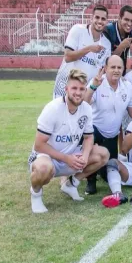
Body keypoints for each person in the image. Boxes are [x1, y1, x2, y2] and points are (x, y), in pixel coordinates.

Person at [29, 69, 109, 213]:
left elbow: (89, 137)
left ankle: (71, 185)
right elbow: (39, 145)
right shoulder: (53, 108)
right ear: (66, 89)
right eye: (74, 88)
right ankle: (36, 194)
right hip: (48, 157)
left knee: (103, 154)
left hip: (70, 156)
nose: (78, 93)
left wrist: (85, 156)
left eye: (82, 89)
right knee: (43, 169)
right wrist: (66, 159)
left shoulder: (86, 108)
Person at [83, 55, 132, 195]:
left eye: (119, 67)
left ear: (123, 69)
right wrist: (93, 87)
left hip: (112, 135)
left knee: (108, 174)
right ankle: (90, 180)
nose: (116, 70)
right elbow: (84, 103)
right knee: (91, 149)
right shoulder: (97, 82)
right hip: (95, 131)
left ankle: (98, 171)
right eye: (112, 67)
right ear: (106, 68)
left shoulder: (127, 86)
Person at [53, 5, 111, 99]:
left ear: (107, 22)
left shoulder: (107, 44)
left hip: (85, 91)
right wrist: (89, 49)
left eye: (103, 19)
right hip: (65, 86)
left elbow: (104, 70)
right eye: (97, 17)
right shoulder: (78, 30)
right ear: (91, 18)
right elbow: (67, 57)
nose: (100, 21)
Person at [104, 5, 132, 73]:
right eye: (126, 20)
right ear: (119, 18)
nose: (129, 24)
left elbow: (130, 55)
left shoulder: (131, 30)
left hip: (122, 71)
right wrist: (121, 46)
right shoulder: (108, 30)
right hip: (110, 73)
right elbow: (107, 61)